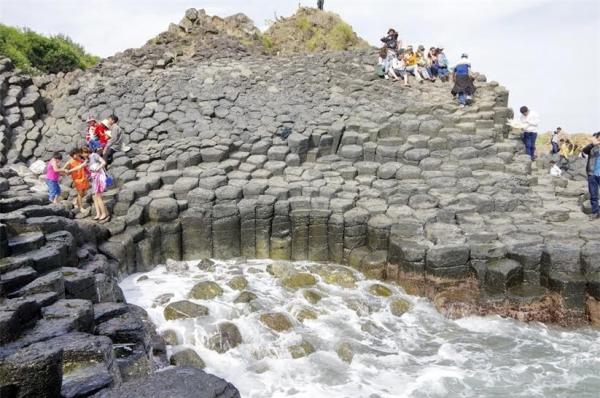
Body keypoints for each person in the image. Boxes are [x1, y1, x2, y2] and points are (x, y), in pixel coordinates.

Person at [65, 147, 90, 213]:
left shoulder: (78, 158)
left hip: (83, 177)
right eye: (76, 154)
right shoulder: (69, 162)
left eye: (78, 154)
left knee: (85, 193)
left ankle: (75, 201)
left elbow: (84, 164)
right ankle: (81, 208)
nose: (78, 155)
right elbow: (64, 170)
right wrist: (67, 172)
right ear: (73, 154)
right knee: (80, 193)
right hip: (77, 179)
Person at [581, 132, 600, 221]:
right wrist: (592, 144)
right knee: (593, 195)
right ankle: (595, 213)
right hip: (592, 174)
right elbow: (584, 151)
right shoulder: (592, 147)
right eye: (598, 137)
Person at [88, 148, 109, 221]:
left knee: (98, 196)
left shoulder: (94, 155)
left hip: (98, 179)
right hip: (93, 180)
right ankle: (98, 213)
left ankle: (104, 213)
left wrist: (97, 168)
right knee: (94, 197)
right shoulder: (88, 159)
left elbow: (103, 162)